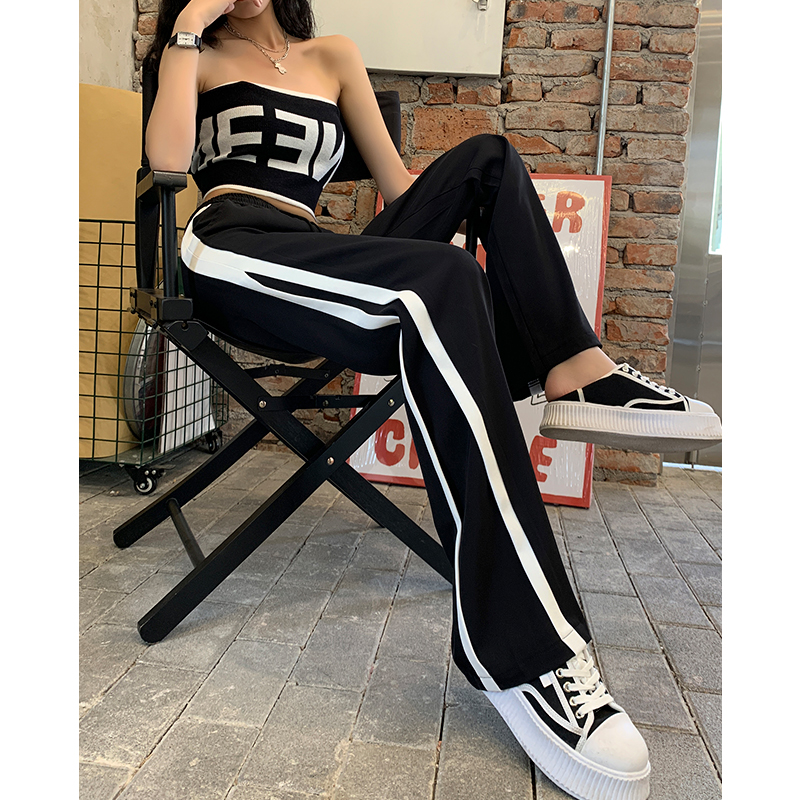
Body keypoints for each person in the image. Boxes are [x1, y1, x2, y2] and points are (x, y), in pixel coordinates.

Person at [145, 2, 721, 798]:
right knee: (446, 281)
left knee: (488, 159)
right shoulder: (197, 52)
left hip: (323, 256)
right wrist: (189, 24)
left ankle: (576, 367)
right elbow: (168, 161)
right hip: (232, 253)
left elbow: (397, 189)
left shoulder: (333, 55)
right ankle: (523, 652)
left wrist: (453, 236)